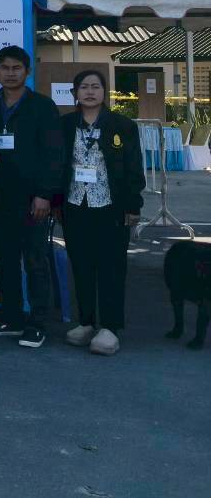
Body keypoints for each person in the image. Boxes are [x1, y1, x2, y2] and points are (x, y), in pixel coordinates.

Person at [0, 45, 65, 349]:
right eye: (5, 68)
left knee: (36, 261)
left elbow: (54, 154)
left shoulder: (43, 106)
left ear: (27, 71)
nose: (10, 73)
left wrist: (44, 194)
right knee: (6, 261)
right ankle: (10, 317)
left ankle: (38, 323)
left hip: (32, 200)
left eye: (16, 68)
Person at [59, 69, 144, 356]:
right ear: (75, 93)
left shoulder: (122, 125)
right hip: (75, 204)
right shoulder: (65, 125)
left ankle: (110, 327)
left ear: (104, 92)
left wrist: (133, 205)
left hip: (111, 206)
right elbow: (57, 165)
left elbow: (133, 167)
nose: (90, 92)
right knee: (81, 265)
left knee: (112, 267)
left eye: (95, 86)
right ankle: (85, 322)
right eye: (84, 87)